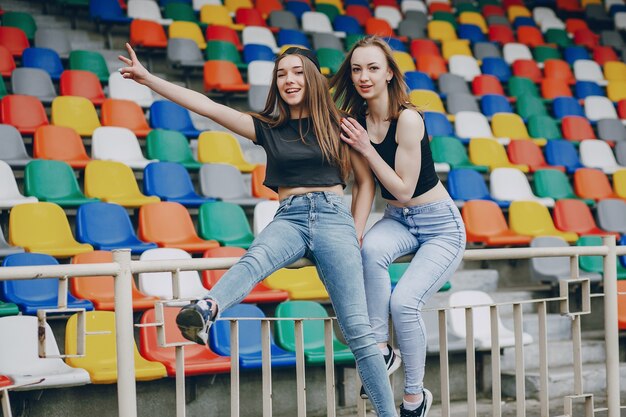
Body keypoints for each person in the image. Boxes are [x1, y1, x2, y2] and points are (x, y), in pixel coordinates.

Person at [119, 43, 399, 416]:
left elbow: (365, 184)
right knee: (255, 258)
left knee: (359, 334)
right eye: (281, 74)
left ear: (314, 78)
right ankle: (206, 308)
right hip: (289, 217)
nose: (289, 80)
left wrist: (356, 230)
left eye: (298, 72)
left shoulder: (341, 124)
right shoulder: (268, 128)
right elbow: (208, 106)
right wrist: (148, 78)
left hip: (334, 217)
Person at [330, 36, 466, 417]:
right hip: (397, 221)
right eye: (356, 69)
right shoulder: (356, 123)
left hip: (439, 225)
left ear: (389, 73)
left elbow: (404, 189)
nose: (363, 76)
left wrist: (367, 148)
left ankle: (414, 396)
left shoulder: (408, 118)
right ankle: (380, 348)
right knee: (368, 250)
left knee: (405, 303)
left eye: (373, 68)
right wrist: (355, 231)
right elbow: (365, 184)